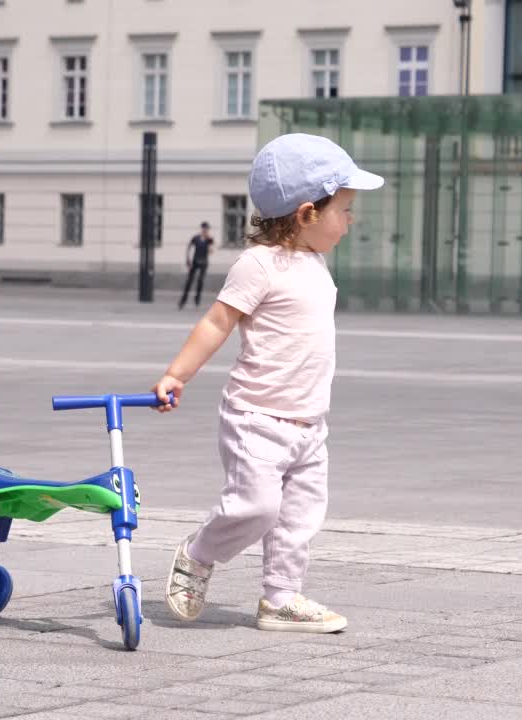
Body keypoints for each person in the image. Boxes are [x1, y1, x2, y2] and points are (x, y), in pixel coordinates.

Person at [150, 133, 384, 633]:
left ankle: (280, 598)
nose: (350, 220)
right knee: (255, 508)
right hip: (257, 419)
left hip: (308, 425)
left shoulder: (314, 264)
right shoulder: (257, 265)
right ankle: (198, 553)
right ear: (306, 214)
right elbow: (217, 322)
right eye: (344, 209)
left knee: (297, 522)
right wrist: (177, 373)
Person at [178, 222, 214, 310]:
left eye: (207, 229)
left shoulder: (209, 239)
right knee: (189, 281)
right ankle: (182, 301)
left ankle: (197, 301)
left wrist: (209, 242)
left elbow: (211, 251)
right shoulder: (196, 238)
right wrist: (188, 259)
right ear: (202, 229)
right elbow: (189, 248)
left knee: (200, 281)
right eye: (204, 228)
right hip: (195, 261)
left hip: (204, 262)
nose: (205, 230)